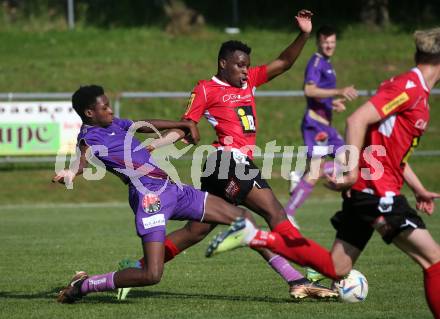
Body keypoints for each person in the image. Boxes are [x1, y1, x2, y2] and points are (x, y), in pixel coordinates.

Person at [209, 27, 440, 318]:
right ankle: (268, 227)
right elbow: (357, 119)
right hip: (377, 191)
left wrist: (417, 188)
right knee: (434, 261)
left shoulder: (418, 90)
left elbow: (393, 153)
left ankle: (254, 236)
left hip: (371, 188)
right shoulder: (409, 87)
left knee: (337, 268)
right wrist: (353, 170)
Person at [118, 9, 339, 300]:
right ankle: (306, 272)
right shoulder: (206, 89)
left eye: (247, 65)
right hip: (226, 162)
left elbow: (284, 63)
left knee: (196, 231)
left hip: (229, 166)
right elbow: (187, 127)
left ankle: (134, 270)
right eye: (239, 65)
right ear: (223, 64)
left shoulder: (249, 82)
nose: (246, 71)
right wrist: (155, 145)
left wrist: (305, 34)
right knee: (273, 211)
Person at [54, 85, 256, 303]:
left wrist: (183, 123)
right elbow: (82, 160)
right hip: (148, 195)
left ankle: (293, 277)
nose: (111, 110)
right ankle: (84, 285)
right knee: (152, 274)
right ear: (89, 113)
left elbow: (144, 125)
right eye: (105, 107)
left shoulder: (115, 124)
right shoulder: (90, 137)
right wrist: (71, 172)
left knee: (242, 218)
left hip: (171, 188)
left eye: (109, 105)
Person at [286, 25, 358, 216]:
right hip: (315, 125)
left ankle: (301, 175)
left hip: (326, 125)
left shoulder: (327, 63)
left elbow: (318, 95)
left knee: (349, 164)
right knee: (317, 171)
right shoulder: (316, 63)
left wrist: (332, 104)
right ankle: (287, 215)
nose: (329, 45)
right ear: (318, 42)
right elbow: (309, 90)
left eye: (332, 42)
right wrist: (339, 91)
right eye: (326, 42)